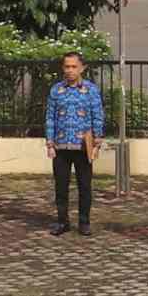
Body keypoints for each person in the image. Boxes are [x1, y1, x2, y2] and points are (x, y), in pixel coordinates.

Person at [46, 49, 108, 233]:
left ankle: (84, 221)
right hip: (61, 146)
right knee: (61, 186)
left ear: (82, 68)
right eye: (67, 66)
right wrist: (50, 142)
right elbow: (50, 117)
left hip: (83, 146)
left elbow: (97, 115)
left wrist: (97, 140)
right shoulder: (56, 90)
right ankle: (62, 221)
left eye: (74, 66)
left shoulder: (91, 90)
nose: (70, 70)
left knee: (84, 186)